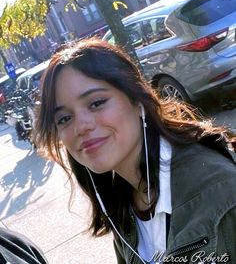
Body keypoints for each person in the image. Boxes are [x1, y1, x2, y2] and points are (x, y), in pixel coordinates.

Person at [35, 37, 236, 264]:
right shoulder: (124, 203)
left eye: (96, 103)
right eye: (64, 118)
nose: (81, 127)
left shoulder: (220, 190)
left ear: (138, 101)